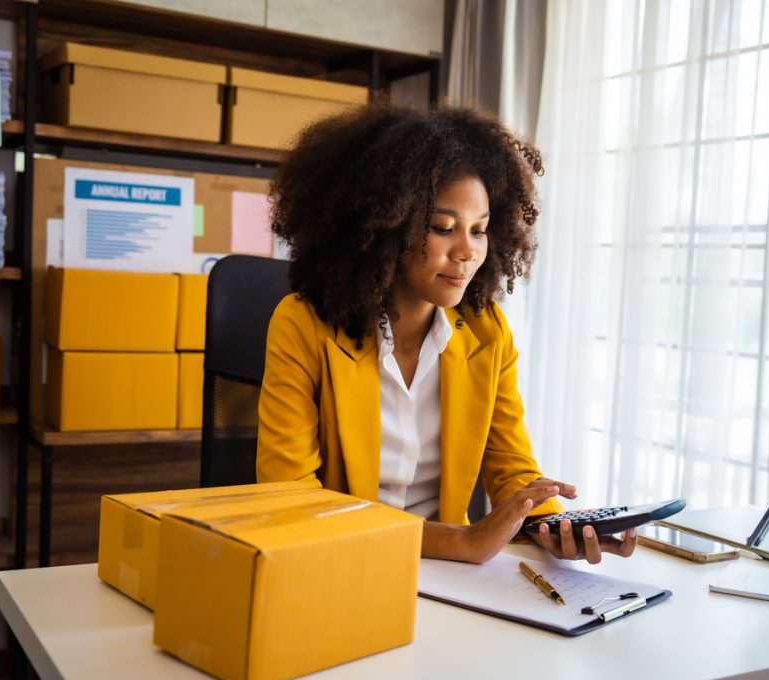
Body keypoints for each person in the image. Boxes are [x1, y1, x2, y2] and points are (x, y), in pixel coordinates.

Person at [256, 104, 637, 564]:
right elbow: (293, 501)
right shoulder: (302, 325)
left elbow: (511, 467)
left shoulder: (486, 332)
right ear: (383, 224)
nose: (467, 252)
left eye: (479, 231)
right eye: (443, 228)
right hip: (337, 565)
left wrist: (553, 524)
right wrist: (459, 541)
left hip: (443, 578)